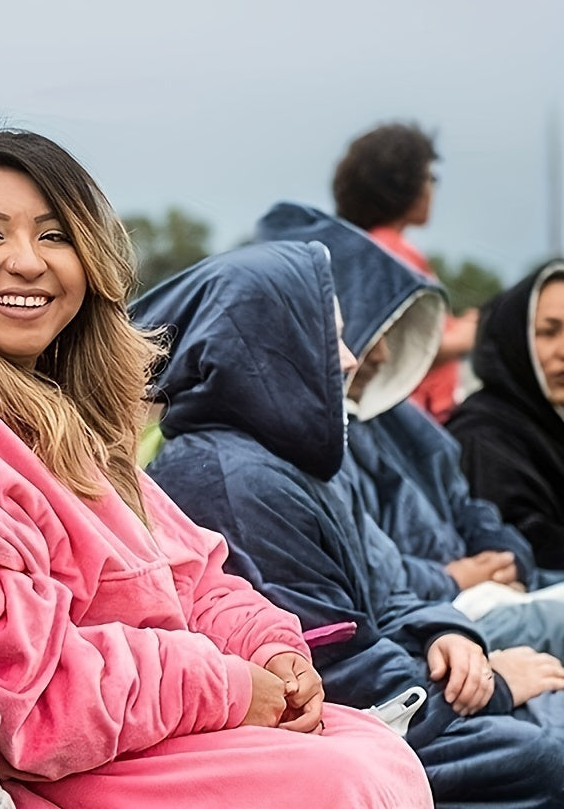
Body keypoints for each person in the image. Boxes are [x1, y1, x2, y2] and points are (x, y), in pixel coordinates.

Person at [0, 130, 434, 809]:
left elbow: (193, 575)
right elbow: (22, 694)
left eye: (55, 236)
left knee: (379, 754)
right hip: (49, 769)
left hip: (153, 728)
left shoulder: (56, 406)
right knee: (349, 782)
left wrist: (273, 649)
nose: (26, 262)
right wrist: (226, 685)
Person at [131, 239, 564, 807]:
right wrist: (495, 687)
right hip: (356, 725)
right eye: (328, 336)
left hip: (408, 686)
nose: (353, 357)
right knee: (548, 757)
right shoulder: (227, 478)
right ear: (271, 347)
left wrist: (444, 631)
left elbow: (389, 591)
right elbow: (332, 662)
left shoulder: (303, 460)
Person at [257, 201, 564, 644]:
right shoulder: (296, 450)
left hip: (477, 603)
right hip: (431, 627)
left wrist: (508, 556)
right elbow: (367, 585)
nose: (377, 354)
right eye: (360, 332)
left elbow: (470, 508)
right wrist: (452, 579)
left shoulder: (399, 419)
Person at [333, 121, 477, 423]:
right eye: (430, 177)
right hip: (416, 411)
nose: (432, 189)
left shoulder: (369, 247)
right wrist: (470, 334)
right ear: (402, 184)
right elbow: (404, 343)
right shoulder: (390, 251)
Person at [447, 261, 564, 570]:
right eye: (548, 332)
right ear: (515, 339)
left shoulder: (552, 423)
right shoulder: (481, 433)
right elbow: (519, 543)